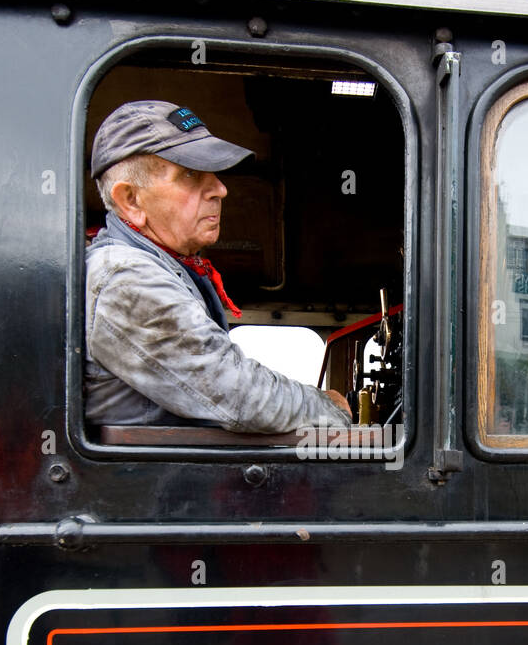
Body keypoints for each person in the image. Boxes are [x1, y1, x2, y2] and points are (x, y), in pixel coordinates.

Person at [86, 99, 352, 433]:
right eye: (190, 174)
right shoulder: (125, 278)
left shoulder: (158, 266)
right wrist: (330, 408)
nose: (220, 189)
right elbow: (243, 398)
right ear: (131, 200)